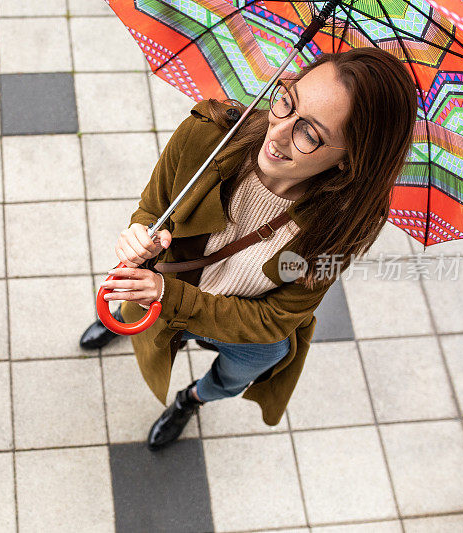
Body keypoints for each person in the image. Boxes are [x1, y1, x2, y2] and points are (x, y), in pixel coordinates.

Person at [78, 47, 418, 451]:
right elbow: (155, 206)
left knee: (255, 361)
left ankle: (193, 399)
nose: (277, 133)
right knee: (142, 307)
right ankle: (122, 316)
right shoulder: (208, 136)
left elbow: (275, 319)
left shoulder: (341, 226)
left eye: (309, 133)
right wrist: (139, 231)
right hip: (167, 289)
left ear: (350, 160)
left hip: (239, 322)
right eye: (287, 101)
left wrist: (171, 297)